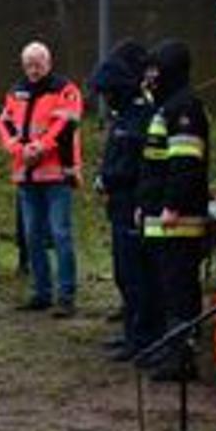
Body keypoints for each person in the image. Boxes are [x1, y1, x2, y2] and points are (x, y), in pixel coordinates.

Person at [130, 40, 210, 381]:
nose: (150, 77)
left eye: (155, 70)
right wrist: (144, 205)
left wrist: (172, 206)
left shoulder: (183, 109)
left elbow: (184, 165)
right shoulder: (168, 108)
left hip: (178, 223)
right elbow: (154, 165)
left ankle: (182, 358)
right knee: (166, 289)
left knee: (180, 291)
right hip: (161, 220)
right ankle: (171, 348)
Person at [0, 41, 84, 317]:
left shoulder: (65, 90)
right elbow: (4, 123)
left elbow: (66, 124)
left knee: (60, 234)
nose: (33, 70)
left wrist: (40, 147)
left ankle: (66, 295)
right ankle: (42, 292)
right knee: (32, 236)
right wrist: (19, 149)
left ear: (49, 63)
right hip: (27, 173)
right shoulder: (16, 91)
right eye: (29, 65)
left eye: (38, 65)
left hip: (56, 174)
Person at [93, 40, 158, 360]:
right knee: (125, 274)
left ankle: (143, 338)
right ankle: (132, 332)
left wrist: (110, 177)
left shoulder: (141, 115)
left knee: (136, 276)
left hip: (132, 204)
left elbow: (136, 164)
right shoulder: (125, 115)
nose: (106, 99)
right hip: (119, 205)